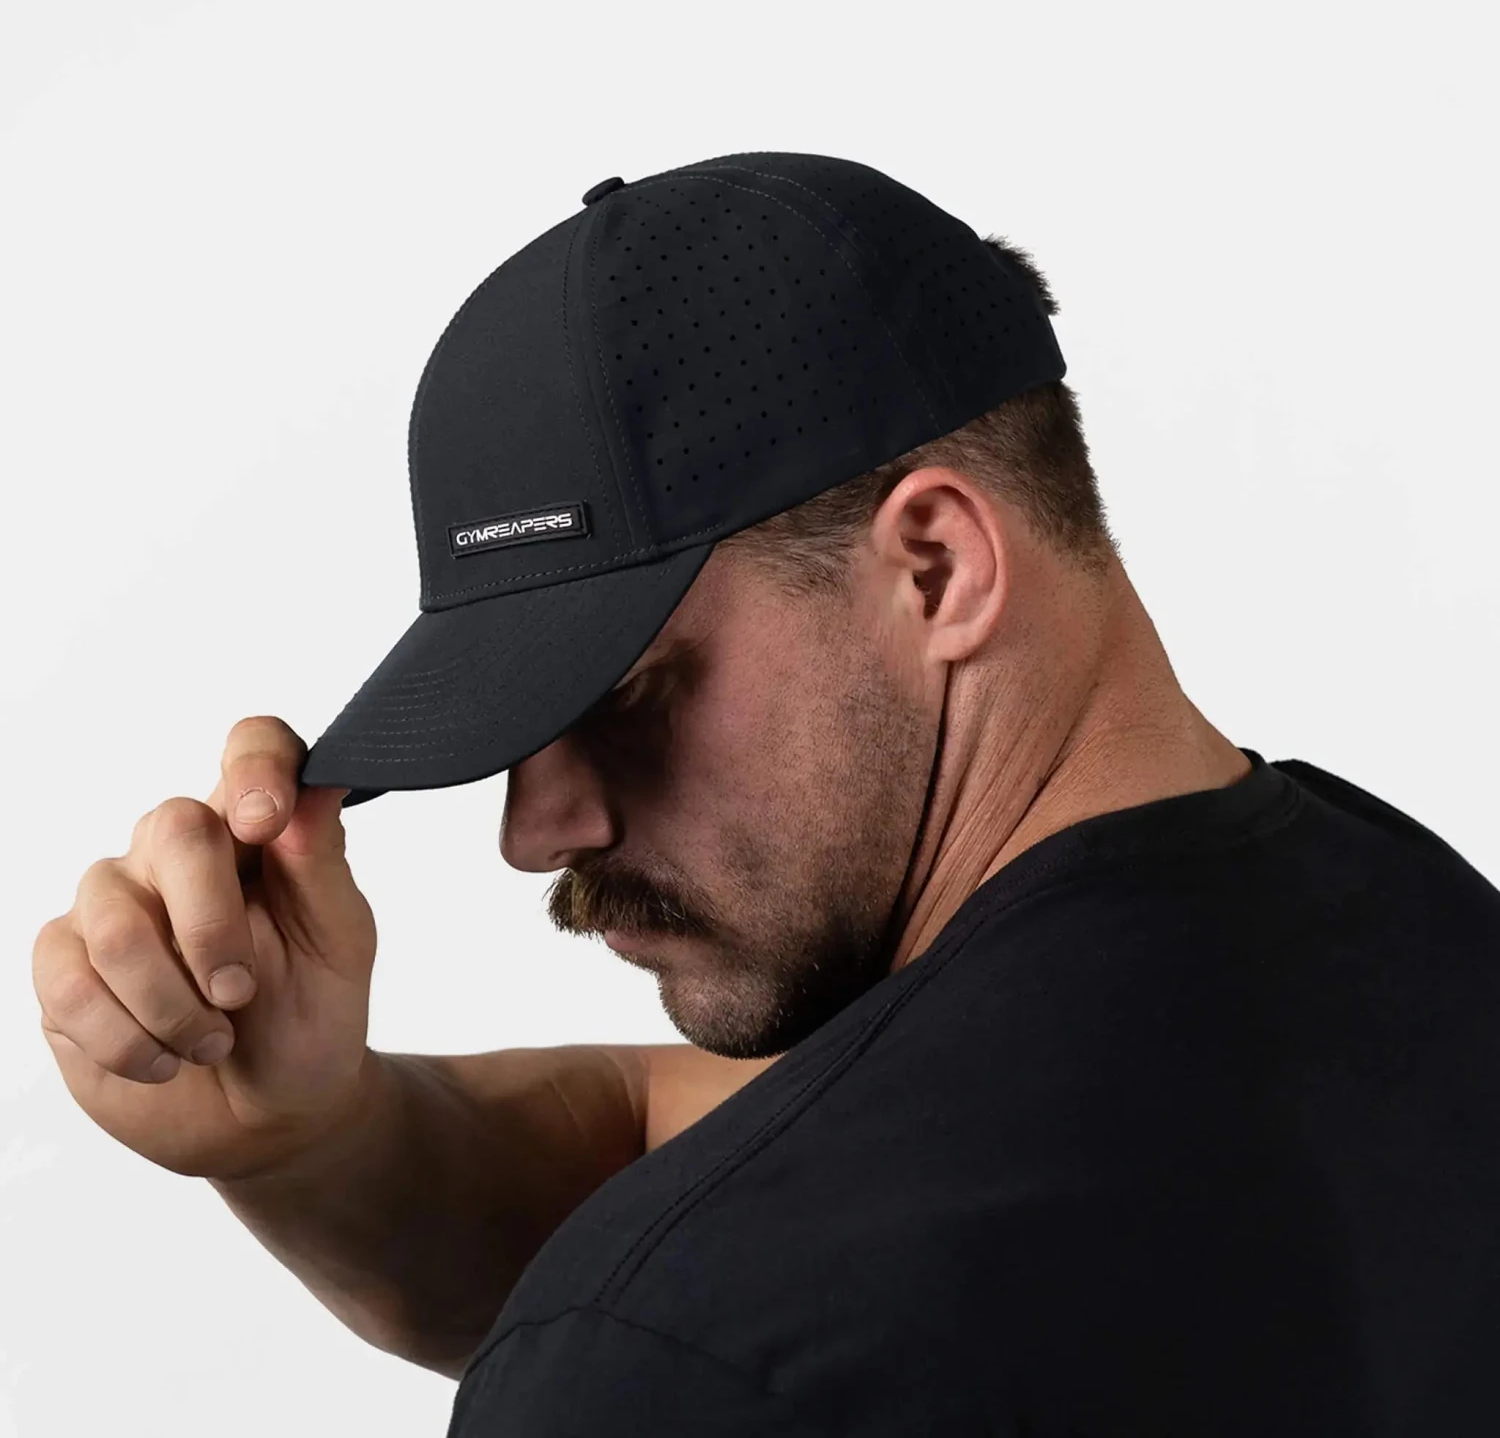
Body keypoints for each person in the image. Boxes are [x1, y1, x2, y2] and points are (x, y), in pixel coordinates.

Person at [33, 153, 1500, 1435]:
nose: (535, 829)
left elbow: (723, 1258)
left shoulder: (682, 1355)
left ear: (935, 566)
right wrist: (313, 1137)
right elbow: (698, 1142)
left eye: (622, 695)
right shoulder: (1418, 934)